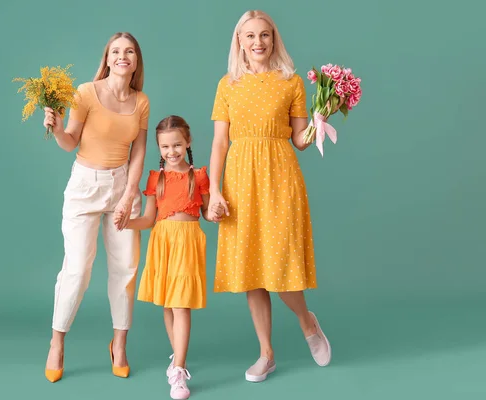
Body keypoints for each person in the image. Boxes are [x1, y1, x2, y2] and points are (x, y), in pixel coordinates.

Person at [207, 10, 339, 382]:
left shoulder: (292, 82)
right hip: (239, 179)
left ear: (273, 39)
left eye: (265, 35)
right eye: (250, 36)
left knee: (280, 267)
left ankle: (306, 321)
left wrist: (320, 119)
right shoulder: (227, 84)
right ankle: (266, 354)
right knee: (252, 271)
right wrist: (215, 190)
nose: (258, 42)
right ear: (239, 42)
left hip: (280, 177)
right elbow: (219, 142)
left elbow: (299, 140)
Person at [42, 32, 150, 382]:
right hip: (85, 184)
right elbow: (70, 142)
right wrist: (58, 129)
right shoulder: (86, 93)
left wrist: (128, 195)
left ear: (136, 61)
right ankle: (57, 342)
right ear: (107, 58)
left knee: (126, 268)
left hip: (123, 185)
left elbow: (138, 153)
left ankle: (119, 344)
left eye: (129, 51)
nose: (123, 56)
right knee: (77, 270)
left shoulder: (142, 101)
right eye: (116, 51)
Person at [114, 115, 223, 399]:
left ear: (187, 143)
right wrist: (128, 222)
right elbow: (149, 219)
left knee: (180, 305)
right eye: (165, 147)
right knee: (167, 304)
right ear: (159, 149)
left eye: (176, 145)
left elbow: (209, 213)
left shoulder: (198, 176)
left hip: (187, 243)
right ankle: (177, 359)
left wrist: (218, 212)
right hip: (162, 242)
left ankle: (179, 369)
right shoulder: (156, 178)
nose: (171, 152)